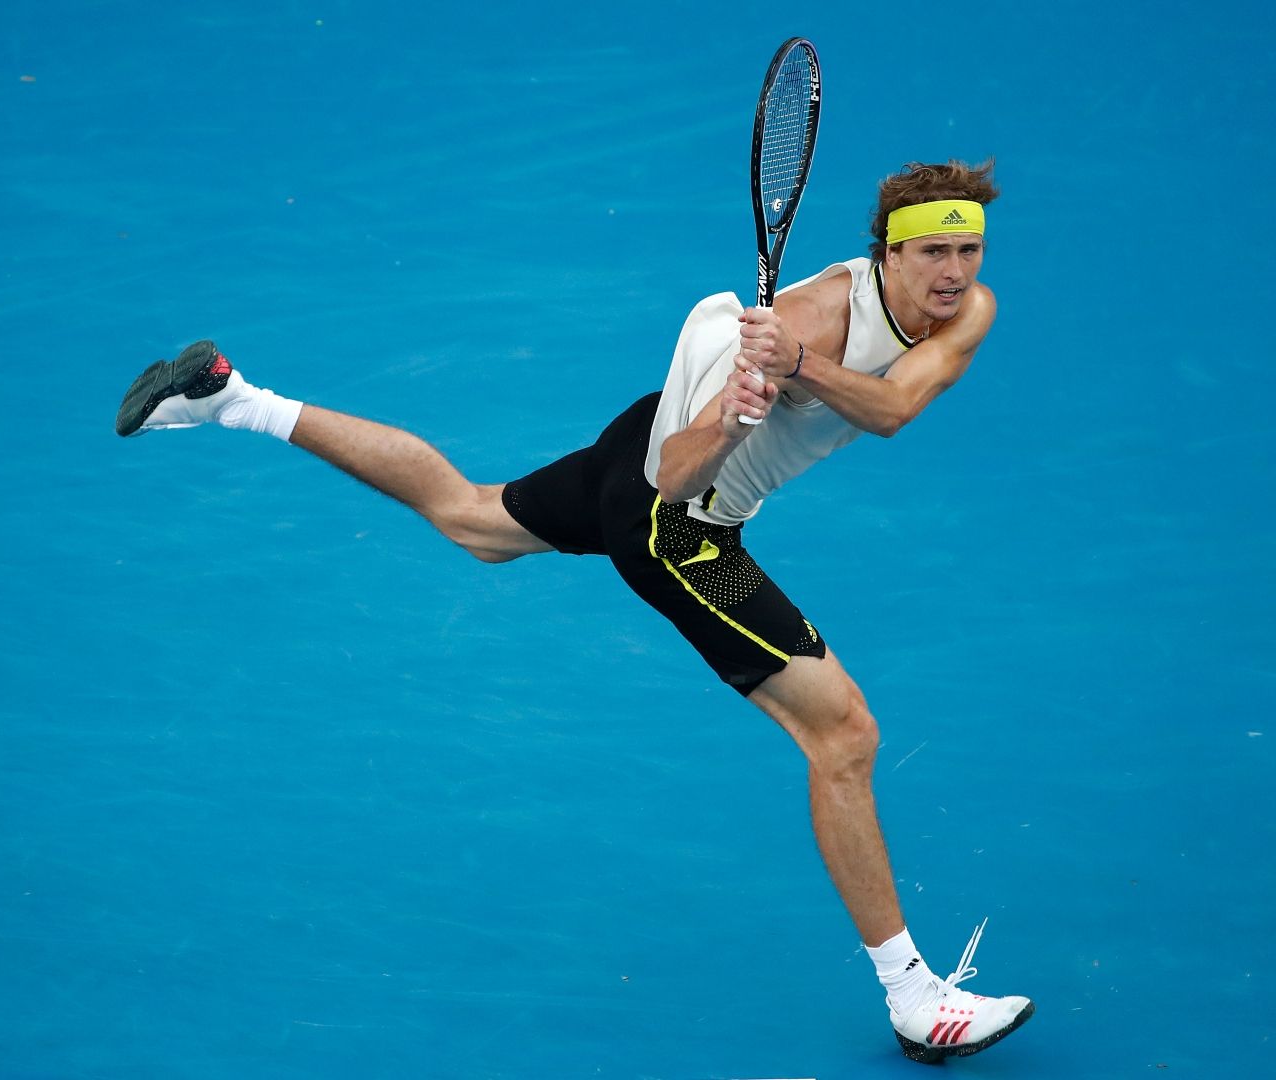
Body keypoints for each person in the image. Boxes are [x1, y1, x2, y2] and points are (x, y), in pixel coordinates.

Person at [114, 159, 1033, 1063]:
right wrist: (730, 420)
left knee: (472, 519)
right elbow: (675, 478)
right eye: (934, 253)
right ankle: (914, 999)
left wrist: (798, 371)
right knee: (845, 735)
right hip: (681, 524)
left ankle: (233, 399)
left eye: (969, 250)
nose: (955, 272)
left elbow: (893, 407)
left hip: (639, 441)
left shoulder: (962, 311)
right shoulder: (809, 318)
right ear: (887, 253)